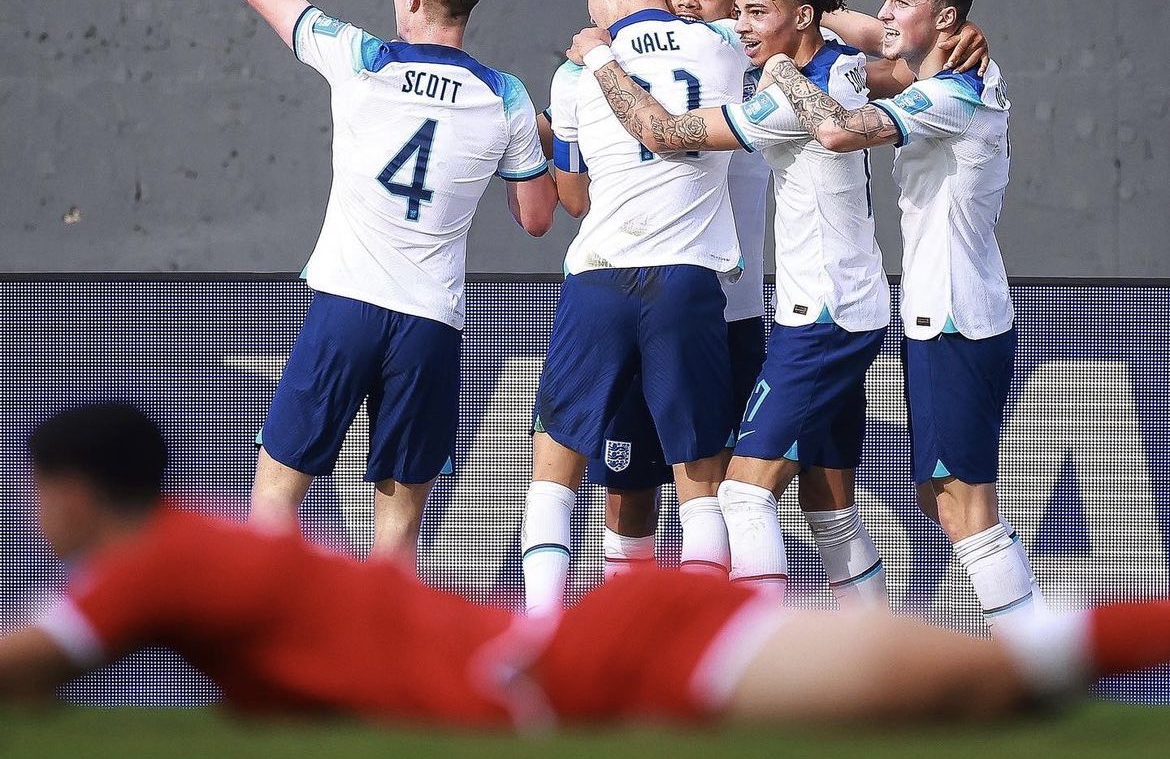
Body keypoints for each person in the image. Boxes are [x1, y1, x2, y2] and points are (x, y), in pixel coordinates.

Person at [5, 401, 1170, 729]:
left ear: (65, 493)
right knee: (989, 689)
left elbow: (28, 664)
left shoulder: (152, 566)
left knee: (982, 685)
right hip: (593, 658)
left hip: (593, 668)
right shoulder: (192, 547)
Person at [236, 0, 557, 564]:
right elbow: (536, 218)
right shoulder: (505, 96)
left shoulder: (362, 57)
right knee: (399, 530)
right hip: (430, 323)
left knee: (274, 502)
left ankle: (275, 661)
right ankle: (382, 676)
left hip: (347, 305)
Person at [574, 0, 896, 609]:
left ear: (802, 16)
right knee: (828, 505)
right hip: (843, 304)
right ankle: (875, 651)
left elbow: (661, 132)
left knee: (744, 494)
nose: (739, 25)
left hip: (822, 318)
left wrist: (600, 57)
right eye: (740, 11)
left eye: (754, 11)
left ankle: (752, 667)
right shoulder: (842, 68)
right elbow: (890, 47)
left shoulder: (782, 100)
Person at [757, 0, 1040, 629]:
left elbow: (835, 130)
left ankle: (1036, 661)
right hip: (942, 314)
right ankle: (1030, 651)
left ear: (945, 17)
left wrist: (783, 70)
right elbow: (866, 35)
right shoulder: (943, 69)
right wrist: (804, 6)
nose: (883, 12)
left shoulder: (952, 94)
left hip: (956, 319)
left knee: (965, 506)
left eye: (900, 1)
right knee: (940, 498)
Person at [523, 0, 748, 614]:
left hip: (600, 275)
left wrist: (538, 133)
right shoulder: (728, 45)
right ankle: (696, 651)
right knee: (700, 481)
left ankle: (541, 641)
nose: (588, 1)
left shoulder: (577, 70)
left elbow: (573, 197)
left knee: (554, 474)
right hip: (686, 279)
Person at [590, 0, 770, 579]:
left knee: (731, 491)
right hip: (653, 292)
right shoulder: (625, 67)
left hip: (735, 313)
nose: (689, 5)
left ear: (739, 8)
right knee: (628, 484)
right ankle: (636, 638)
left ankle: (718, 645)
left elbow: (838, 31)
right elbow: (576, 195)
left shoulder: (756, 65)